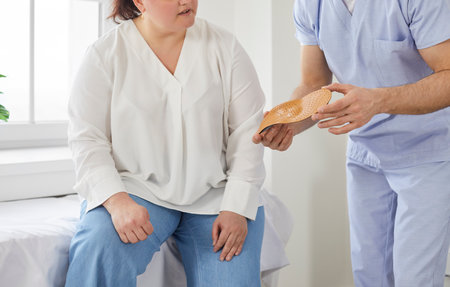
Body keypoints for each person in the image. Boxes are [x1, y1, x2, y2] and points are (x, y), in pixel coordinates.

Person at [65, 0, 268, 286]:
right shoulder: (105, 54)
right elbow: (86, 138)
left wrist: (236, 207)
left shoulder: (226, 46)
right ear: (138, 2)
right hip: (135, 191)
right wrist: (117, 201)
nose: (186, 1)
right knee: (99, 246)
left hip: (217, 195)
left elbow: (248, 132)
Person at [253, 0, 450, 286]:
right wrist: (289, 121)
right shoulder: (311, 5)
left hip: (427, 152)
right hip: (365, 155)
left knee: (415, 279)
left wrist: (378, 101)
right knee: (369, 276)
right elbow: (314, 84)